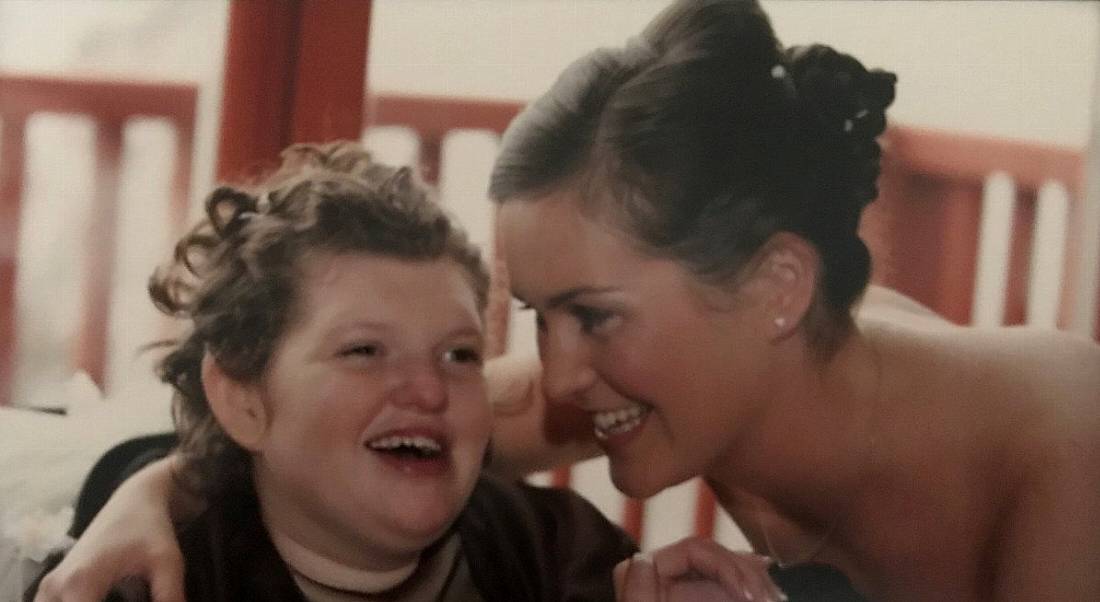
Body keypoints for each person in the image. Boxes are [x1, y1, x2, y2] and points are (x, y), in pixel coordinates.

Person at [35, 0, 1100, 600]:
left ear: (775, 285)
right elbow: (339, 435)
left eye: (591, 313)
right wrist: (150, 490)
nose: (553, 371)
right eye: (539, 317)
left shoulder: (1062, 446)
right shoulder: (697, 379)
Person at [27, 141, 667, 601]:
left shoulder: (562, 557)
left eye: (460, 355)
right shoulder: (151, 578)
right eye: (364, 351)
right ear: (243, 401)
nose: (427, 389)